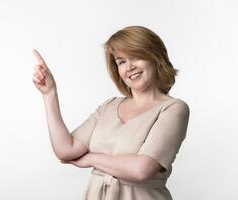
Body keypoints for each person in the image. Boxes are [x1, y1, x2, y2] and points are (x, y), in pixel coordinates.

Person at [32, 25, 190, 200]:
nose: (129, 67)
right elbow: (66, 150)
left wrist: (91, 159)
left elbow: (142, 170)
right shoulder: (108, 107)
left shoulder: (173, 108)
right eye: (121, 61)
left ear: (156, 57)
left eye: (136, 56)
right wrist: (49, 94)